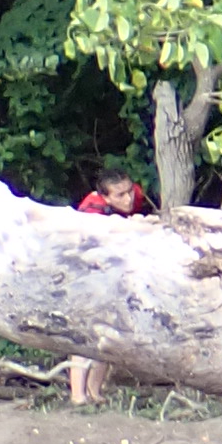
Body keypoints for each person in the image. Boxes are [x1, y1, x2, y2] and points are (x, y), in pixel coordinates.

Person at [63, 161, 149, 406]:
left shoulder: (134, 195)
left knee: (108, 336)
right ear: (105, 197)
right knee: (83, 337)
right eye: (121, 195)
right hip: (85, 276)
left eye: (129, 191)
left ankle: (95, 392)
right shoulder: (92, 211)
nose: (129, 198)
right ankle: (77, 396)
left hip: (111, 278)